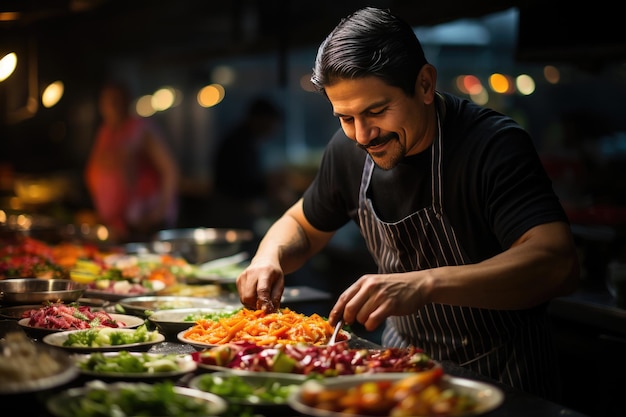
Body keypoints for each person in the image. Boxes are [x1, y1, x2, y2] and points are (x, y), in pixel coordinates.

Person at [236, 7, 580, 401]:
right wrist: (268, 257)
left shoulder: (492, 146)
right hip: (400, 369)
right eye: (345, 118)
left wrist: (426, 283)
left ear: (424, 84)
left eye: (376, 111)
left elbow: (557, 262)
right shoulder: (348, 153)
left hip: (500, 378)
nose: (362, 135)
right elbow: (300, 223)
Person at [85, 80, 179, 243]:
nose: (110, 106)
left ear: (126, 101)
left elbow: (169, 169)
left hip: (142, 220)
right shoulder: (105, 131)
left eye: (115, 100)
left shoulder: (141, 128)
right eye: (106, 101)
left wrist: (160, 211)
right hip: (117, 223)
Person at [212, 97, 283, 230]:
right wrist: (268, 184)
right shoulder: (239, 143)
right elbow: (238, 182)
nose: (273, 129)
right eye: (271, 123)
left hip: (232, 208)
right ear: (260, 119)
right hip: (231, 211)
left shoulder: (244, 139)